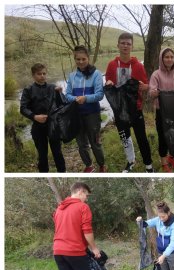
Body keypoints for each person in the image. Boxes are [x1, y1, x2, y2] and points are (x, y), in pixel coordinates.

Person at [53, 182, 102, 270]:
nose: (86, 199)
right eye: (86, 195)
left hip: (58, 251)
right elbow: (87, 230)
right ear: (80, 191)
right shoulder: (82, 207)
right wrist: (94, 248)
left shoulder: (59, 208)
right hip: (74, 251)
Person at [105, 32, 154, 173]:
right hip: (119, 110)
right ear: (118, 45)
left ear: (132, 46)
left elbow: (145, 85)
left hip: (136, 109)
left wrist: (145, 86)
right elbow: (109, 83)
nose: (125, 46)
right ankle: (131, 161)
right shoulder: (111, 65)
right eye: (123, 43)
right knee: (125, 138)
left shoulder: (138, 66)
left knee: (142, 138)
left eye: (128, 43)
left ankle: (148, 165)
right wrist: (108, 83)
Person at [65, 45, 106, 173]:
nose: (81, 62)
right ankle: (89, 165)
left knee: (95, 142)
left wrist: (86, 98)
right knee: (81, 144)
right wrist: (75, 99)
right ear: (74, 59)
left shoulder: (96, 74)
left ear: (88, 58)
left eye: (83, 59)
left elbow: (100, 95)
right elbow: (67, 95)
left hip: (92, 114)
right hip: (76, 115)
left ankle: (102, 165)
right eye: (78, 59)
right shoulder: (72, 76)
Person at [20, 63, 66, 173]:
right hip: (38, 126)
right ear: (33, 75)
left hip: (53, 125)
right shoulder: (28, 90)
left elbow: (62, 105)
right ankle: (44, 175)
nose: (42, 76)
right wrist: (34, 116)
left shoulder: (52, 87)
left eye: (44, 73)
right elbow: (23, 108)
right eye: (39, 74)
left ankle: (62, 173)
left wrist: (60, 93)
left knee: (57, 152)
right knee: (42, 154)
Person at [149, 48, 174, 172]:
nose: (169, 59)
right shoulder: (156, 74)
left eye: (171, 57)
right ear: (162, 59)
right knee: (163, 136)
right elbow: (151, 93)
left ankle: (172, 156)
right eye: (166, 57)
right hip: (162, 112)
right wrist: (157, 92)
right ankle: (164, 162)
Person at [136, 201, 174, 270]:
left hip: (173, 253)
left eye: (163, 217)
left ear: (168, 213)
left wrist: (164, 256)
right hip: (161, 252)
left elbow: (173, 243)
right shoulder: (157, 220)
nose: (161, 219)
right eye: (159, 216)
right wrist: (140, 221)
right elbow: (145, 224)